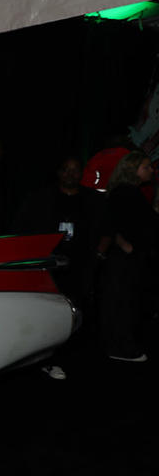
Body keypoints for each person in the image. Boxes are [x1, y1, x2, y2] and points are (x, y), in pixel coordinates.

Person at [14, 155, 103, 379]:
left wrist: (98, 255)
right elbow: (21, 229)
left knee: (77, 314)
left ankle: (70, 357)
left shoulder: (92, 199)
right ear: (59, 172)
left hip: (80, 268)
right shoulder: (40, 198)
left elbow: (105, 230)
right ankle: (47, 360)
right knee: (48, 315)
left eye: (75, 170)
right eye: (66, 170)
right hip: (48, 267)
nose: (71, 174)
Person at [97, 150, 157, 362]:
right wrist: (125, 246)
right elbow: (110, 224)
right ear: (133, 169)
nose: (151, 170)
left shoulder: (130, 192)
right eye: (146, 166)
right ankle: (121, 348)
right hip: (125, 261)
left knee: (125, 302)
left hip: (130, 259)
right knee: (122, 303)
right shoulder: (125, 192)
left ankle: (121, 346)